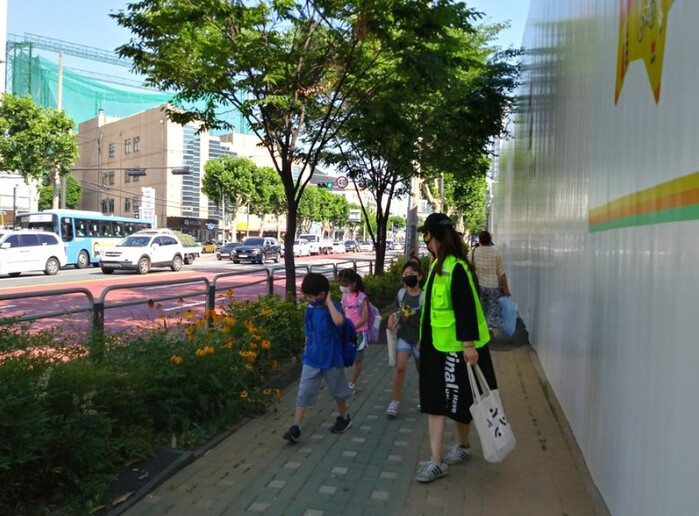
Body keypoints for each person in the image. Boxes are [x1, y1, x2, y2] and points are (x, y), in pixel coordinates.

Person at [415, 213, 497, 483]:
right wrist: (423, 338)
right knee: (434, 403)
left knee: (463, 402)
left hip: (458, 350)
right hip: (435, 348)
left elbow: (466, 309)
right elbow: (431, 310)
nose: (424, 240)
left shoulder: (456, 267)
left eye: (425, 235)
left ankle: (463, 446)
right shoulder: (436, 265)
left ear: (433, 235)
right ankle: (437, 461)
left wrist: (469, 346)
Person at [282, 273, 353, 444]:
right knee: (304, 391)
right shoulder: (310, 309)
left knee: (337, 390)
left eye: (312, 296)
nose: (310, 299)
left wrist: (329, 302)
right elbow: (309, 331)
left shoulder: (334, 308)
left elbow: (339, 322)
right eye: (307, 296)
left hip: (332, 359)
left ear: (323, 294)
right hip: (312, 358)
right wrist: (306, 347)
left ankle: (344, 417)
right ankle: (296, 427)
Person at [386, 261, 425, 419]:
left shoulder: (424, 296)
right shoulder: (401, 294)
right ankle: (395, 402)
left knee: (422, 370)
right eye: (405, 274)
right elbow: (398, 310)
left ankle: (424, 399)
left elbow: (429, 319)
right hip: (404, 336)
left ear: (420, 276)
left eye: (412, 274)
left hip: (419, 339)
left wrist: (424, 338)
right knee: (400, 367)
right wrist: (393, 317)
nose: (408, 277)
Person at [470, 230, 511, 333]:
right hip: (493, 286)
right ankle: (489, 327)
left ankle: (482, 329)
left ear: (479, 240)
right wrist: (506, 289)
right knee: (492, 308)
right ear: (490, 240)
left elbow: (467, 266)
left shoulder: (474, 252)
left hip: (479, 286)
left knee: (481, 309)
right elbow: (501, 272)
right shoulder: (496, 252)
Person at [337, 268, 369, 396]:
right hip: (347, 333)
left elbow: (364, 318)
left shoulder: (362, 298)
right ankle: (343, 383)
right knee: (343, 357)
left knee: (357, 360)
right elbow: (343, 313)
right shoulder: (344, 296)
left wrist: (351, 327)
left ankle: (351, 384)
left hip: (359, 334)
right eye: (340, 282)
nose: (342, 286)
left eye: (345, 282)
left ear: (353, 283)